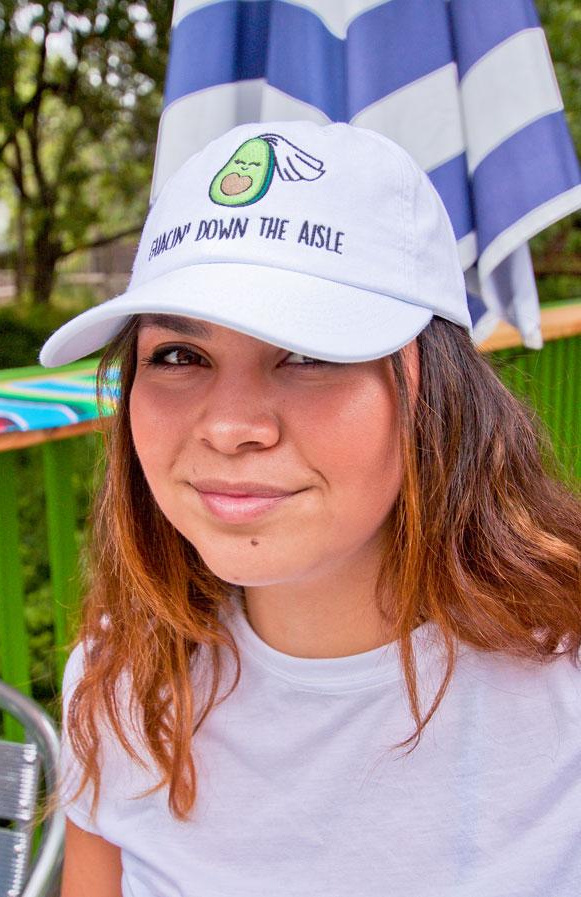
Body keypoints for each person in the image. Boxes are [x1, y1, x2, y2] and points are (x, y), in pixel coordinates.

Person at [39, 121, 581, 897]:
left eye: (309, 353)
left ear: (431, 389)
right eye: (179, 355)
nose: (229, 426)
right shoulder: (119, 675)